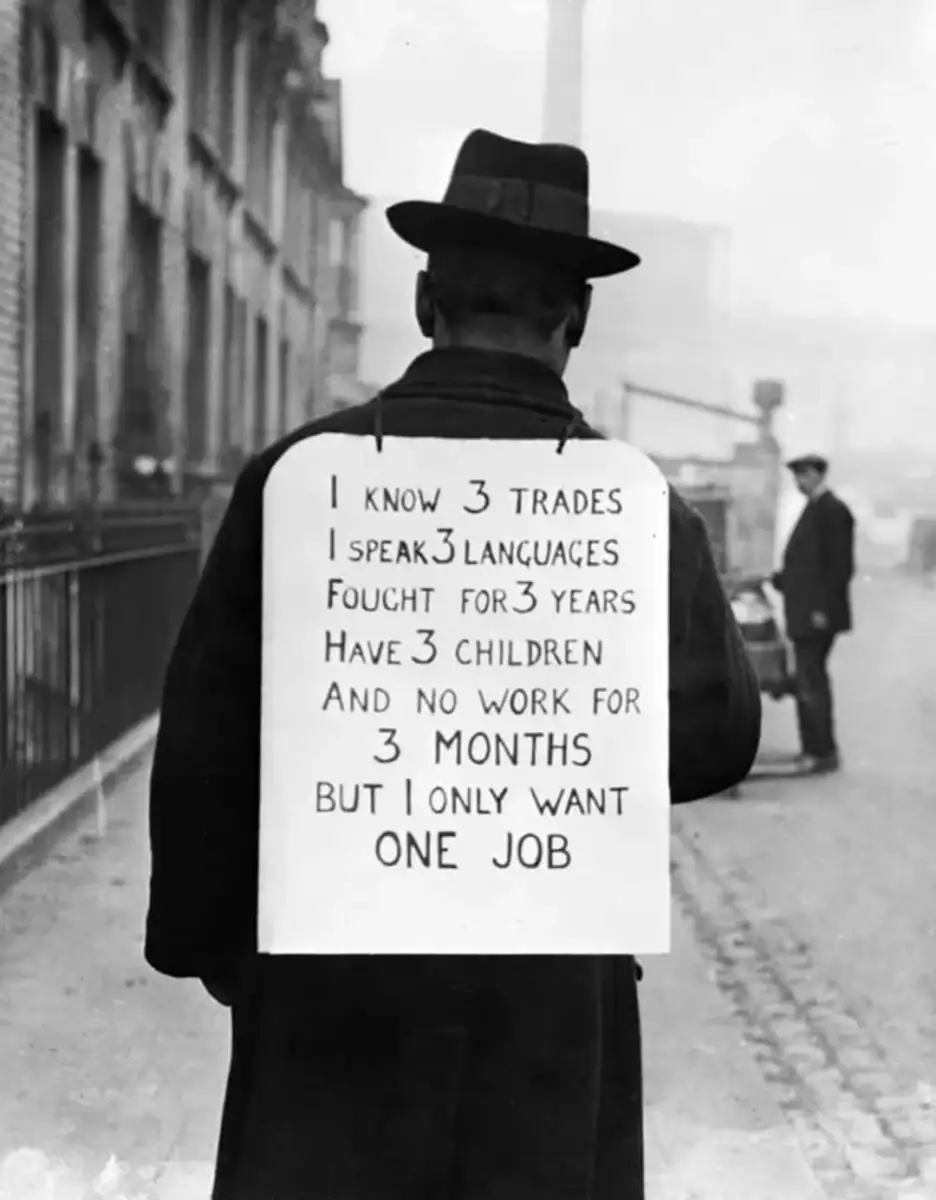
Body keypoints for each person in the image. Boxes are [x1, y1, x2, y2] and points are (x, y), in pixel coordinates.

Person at [144, 129, 762, 1200]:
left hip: (330, 987)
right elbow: (716, 736)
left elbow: (205, 737)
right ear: (576, 317)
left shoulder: (301, 479)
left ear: (429, 304)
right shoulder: (634, 506)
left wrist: (227, 954)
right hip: (548, 1002)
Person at [772, 453, 855, 774]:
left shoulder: (833, 511)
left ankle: (821, 753)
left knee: (811, 683)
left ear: (820, 475)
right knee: (809, 681)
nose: (799, 482)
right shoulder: (816, 508)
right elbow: (804, 563)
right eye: (796, 476)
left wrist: (823, 609)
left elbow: (839, 567)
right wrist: (777, 579)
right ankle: (815, 749)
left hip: (815, 615)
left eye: (804, 475)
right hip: (804, 611)